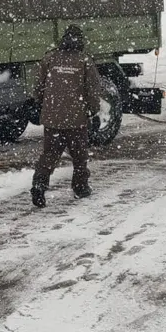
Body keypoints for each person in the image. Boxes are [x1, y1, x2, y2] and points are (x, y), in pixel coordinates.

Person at [30, 25, 102, 207]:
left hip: (52, 118)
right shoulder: (84, 61)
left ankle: (39, 184)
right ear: (80, 41)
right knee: (79, 156)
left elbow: (39, 87)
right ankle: (80, 187)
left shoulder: (50, 58)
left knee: (49, 155)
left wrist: (40, 102)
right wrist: (92, 111)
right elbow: (93, 90)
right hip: (76, 120)